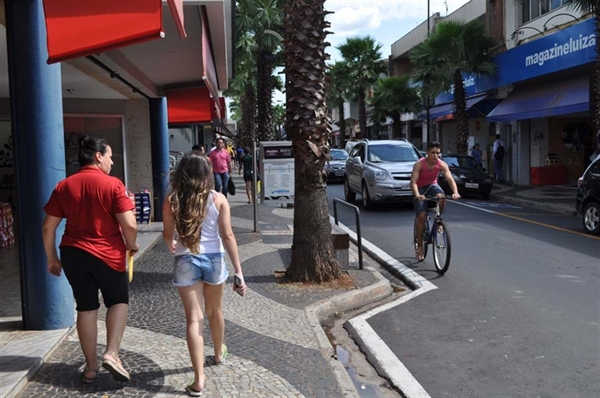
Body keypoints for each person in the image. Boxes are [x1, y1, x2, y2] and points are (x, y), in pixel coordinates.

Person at [42, 135, 138, 384]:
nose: (112, 163)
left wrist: (52, 259)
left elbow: (47, 228)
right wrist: (131, 245)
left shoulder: (64, 186)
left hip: (73, 254)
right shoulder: (113, 185)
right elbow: (129, 224)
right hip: (107, 252)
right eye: (109, 156)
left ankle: (91, 367)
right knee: (117, 301)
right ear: (98, 156)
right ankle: (112, 353)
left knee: (86, 307)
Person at [162, 152, 247, 397]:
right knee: (215, 312)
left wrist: (171, 244)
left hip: (186, 259)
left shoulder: (172, 200)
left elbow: (168, 235)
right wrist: (239, 272)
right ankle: (219, 353)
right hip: (214, 259)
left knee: (194, 319)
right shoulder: (219, 199)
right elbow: (228, 236)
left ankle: (199, 380)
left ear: (181, 173)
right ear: (206, 174)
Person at [410, 142, 460, 261]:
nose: (435, 155)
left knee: (441, 197)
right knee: (422, 216)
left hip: (432, 186)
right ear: (427, 153)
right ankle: (420, 246)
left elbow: (450, 179)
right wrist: (417, 195)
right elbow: (413, 182)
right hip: (420, 188)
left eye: (438, 153)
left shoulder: (441, 164)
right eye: (433, 153)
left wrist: (455, 192)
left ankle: (438, 220)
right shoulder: (419, 164)